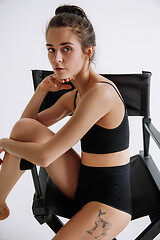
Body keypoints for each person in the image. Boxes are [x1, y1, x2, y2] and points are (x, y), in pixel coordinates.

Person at [0, 5, 132, 240]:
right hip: (82, 181)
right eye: (51, 49)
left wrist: (3, 143)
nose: (56, 59)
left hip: (111, 201)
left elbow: (44, 157)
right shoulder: (76, 94)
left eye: (66, 49)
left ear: (88, 51)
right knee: (23, 129)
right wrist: (41, 90)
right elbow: (25, 127)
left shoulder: (100, 94)